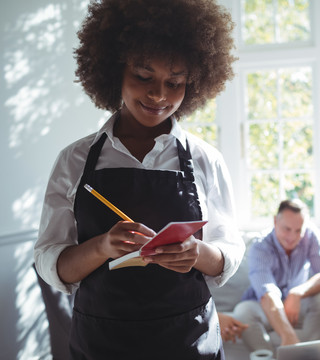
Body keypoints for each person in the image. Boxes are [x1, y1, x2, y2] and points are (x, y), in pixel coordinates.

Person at [33, 0, 244, 358]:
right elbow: (52, 262)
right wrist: (101, 247)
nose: (159, 95)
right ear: (115, 70)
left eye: (174, 83)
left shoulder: (206, 160)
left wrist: (195, 252)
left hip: (188, 340)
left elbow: (229, 252)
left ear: (193, 83)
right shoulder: (75, 160)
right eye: (143, 77)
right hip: (102, 342)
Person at [233, 199, 320, 354]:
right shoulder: (260, 246)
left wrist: (297, 293)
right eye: (287, 229)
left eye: (298, 230)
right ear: (275, 221)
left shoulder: (310, 236)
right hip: (265, 307)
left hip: (297, 306)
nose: (292, 236)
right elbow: (268, 294)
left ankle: (307, 354)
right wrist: (288, 336)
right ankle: (272, 356)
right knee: (242, 312)